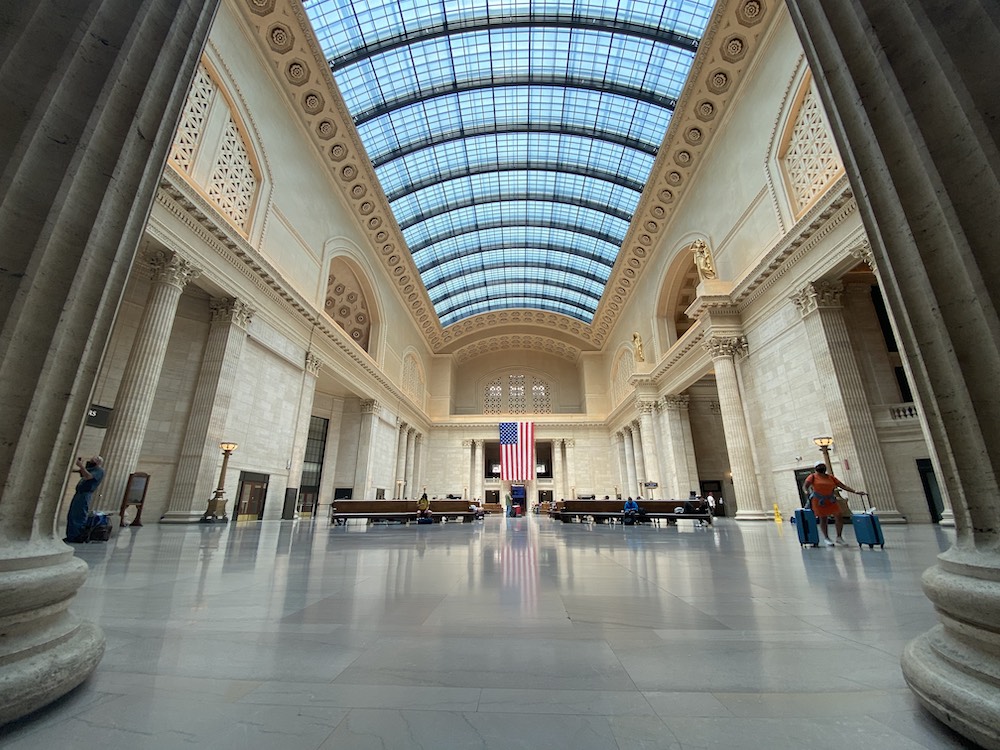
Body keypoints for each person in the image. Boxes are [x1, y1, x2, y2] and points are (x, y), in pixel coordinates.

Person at [803, 461, 863, 546]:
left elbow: (842, 486)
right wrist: (806, 491)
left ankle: (839, 537)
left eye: (822, 466)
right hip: (819, 500)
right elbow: (805, 485)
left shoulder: (830, 477)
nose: (821, 467)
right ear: (816, 468)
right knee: (823, 518)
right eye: (819, 466)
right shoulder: (812, 477)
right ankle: (826, 538)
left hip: (830, 499)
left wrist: (855, 491)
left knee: (838, 516)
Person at [65, 456, 105, 543]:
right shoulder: (91, 469)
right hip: (79, 493)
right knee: (72, 514)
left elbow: (88, 476)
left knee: (79, 514)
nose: (90, 461)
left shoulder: (99, 471)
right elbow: (82, 472)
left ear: (98, 462)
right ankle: (71, 535)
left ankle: (77, 536)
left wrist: (81, 466)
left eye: (92, 460)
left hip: (85, 494)